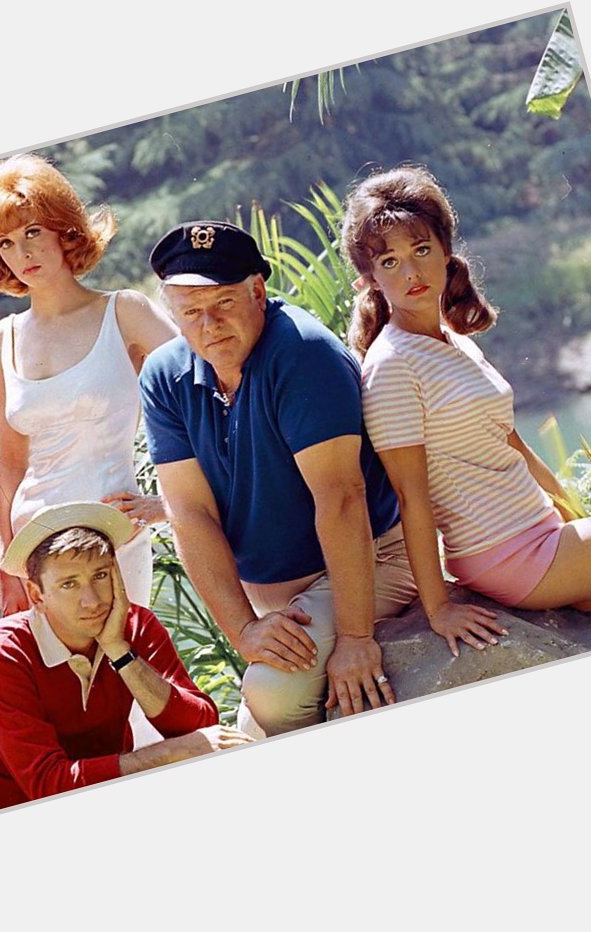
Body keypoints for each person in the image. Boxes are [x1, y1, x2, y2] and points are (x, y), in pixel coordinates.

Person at [341, 164, 591, 645]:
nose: (412, 272)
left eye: (421, 250)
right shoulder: (393, 365)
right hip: (507, 553)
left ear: (445, 251)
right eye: (390, 261)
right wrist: (438, 609)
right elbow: (411, 495)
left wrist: (574, 516)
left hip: (541, 531)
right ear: (370, 278)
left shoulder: (453, 340)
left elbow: (512, 443)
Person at [139, 222, 419, 737]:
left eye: (224, 303)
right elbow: (188, 511)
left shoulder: (302, 354)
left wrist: (356, 638)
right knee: (266, 692)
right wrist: (244, 629)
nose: (210, 325)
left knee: (271, 695)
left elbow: (341, 498)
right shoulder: (164, 375)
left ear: (258, 291)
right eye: (191, 313)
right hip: (273, 594)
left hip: (371, 560)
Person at [0, 153, 178, 617]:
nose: (23, 253)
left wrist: (168, 504)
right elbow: (10, 463)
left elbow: (211, 391)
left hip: (113, 538)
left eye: (33, 232)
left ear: (65, 229)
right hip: (33, 552)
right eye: (6, 242)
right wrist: (9, 567)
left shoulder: (126, 313)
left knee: (126, 677)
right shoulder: (5, 336)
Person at [0, 501, 247, 812]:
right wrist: (167, 754)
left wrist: (119, 651)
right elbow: (47, 784)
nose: (92, 601)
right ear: (36, 595)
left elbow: (200, 726)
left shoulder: (135, 625)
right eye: (69, 584)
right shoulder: (0, 656)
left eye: (100, 576)